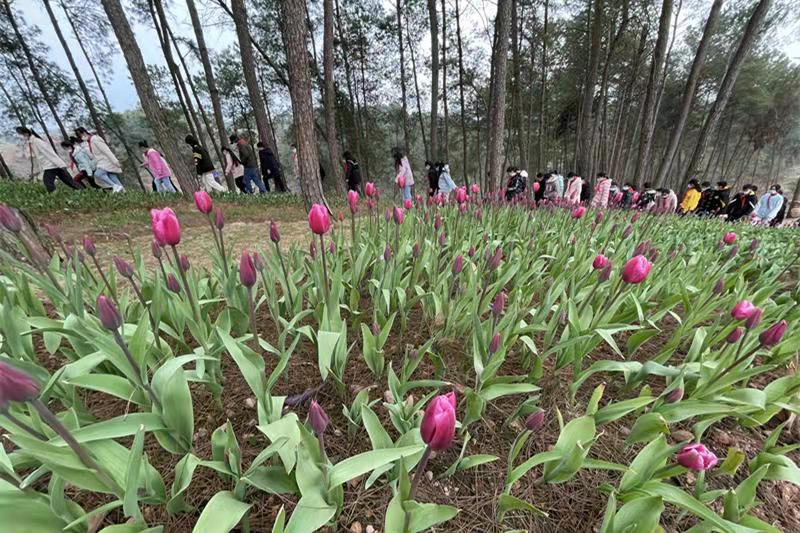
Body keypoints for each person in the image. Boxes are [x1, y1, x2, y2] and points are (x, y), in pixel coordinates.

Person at [16, 126, 82, 192]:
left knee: (48, 183)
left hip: (50, 165)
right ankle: (83, 190)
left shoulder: (37, 141)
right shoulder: (32, 143)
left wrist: (60, 164)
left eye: (21, 134)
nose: (20, 136)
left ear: (26, 133)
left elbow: (49, 153)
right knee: (69, 181)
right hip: (52, 165)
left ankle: (55, 196)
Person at [75, 127, 124, 192]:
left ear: (84, 133)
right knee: (112, 177)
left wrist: (115, 161)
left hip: (106, 161)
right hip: (101, 162)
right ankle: (123, 192)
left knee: (98, 174)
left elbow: (106, 151)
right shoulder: (89, 142)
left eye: (80, 136)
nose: (81, 138)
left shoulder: (95, 139)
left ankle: (115, 186)